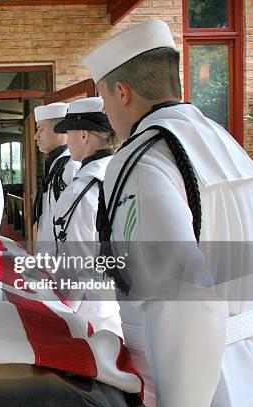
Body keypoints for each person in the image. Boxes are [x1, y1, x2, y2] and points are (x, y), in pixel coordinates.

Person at [84, 20, 253, 406]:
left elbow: (183, 297)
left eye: (105, 98)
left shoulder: (142, 159)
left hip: (192, 380)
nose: (106, 111)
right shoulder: (224, 143)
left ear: (122, 92)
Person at [50, 97, 122, 336]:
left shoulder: (79, 193)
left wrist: (61, 311)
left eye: (69, 133)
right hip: (122, 306)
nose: (67, 141)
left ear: (83, 135)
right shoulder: (124, 177)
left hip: (90, 313)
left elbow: (78, 265)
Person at [31, 102, 81, 247]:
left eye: (40, 129)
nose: (36, 136)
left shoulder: (72, 167)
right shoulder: (57, 164)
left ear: (61, 130)